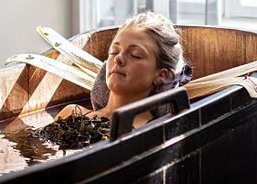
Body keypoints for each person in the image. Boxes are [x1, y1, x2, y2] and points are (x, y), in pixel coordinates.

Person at [56, 11, 191, 128]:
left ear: (160, 75)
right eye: (114, 52)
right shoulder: (70, 114)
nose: (118, 58)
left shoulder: (149, 133)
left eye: (135, 55)